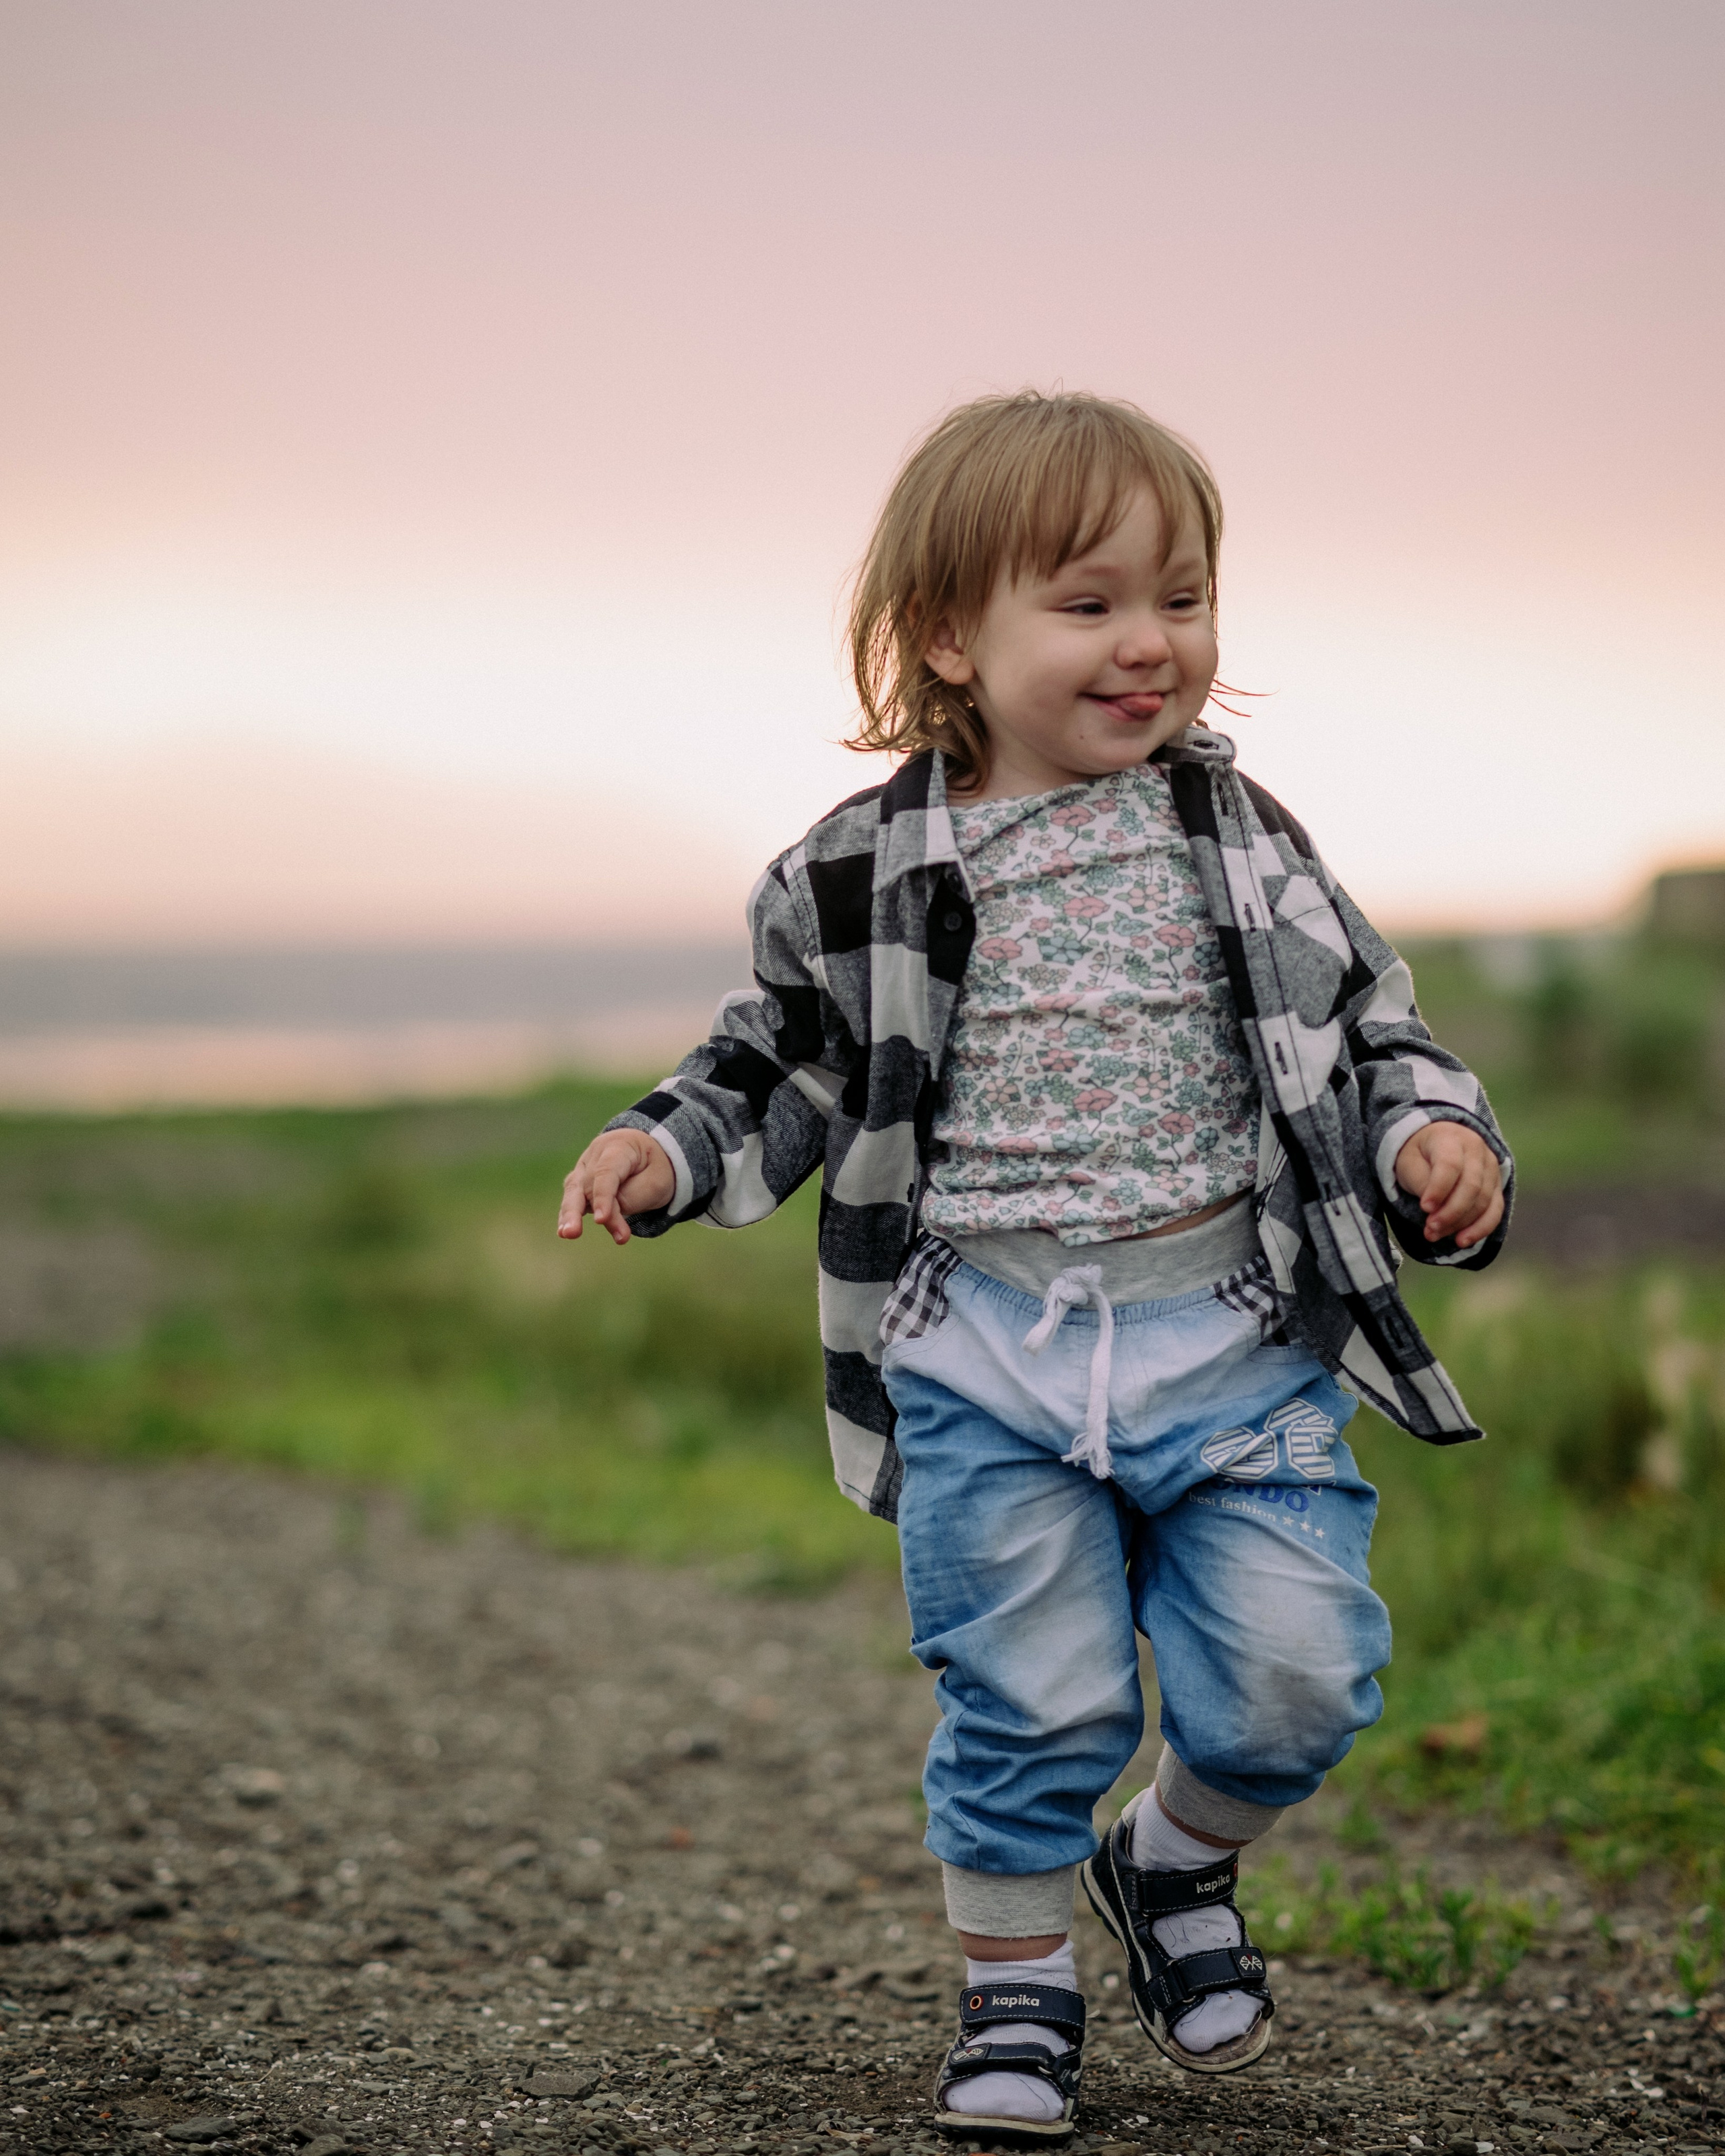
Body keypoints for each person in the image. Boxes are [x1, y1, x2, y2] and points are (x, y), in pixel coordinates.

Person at [558, 391, 1510, 2143]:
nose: (1151, 644)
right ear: (948, 637)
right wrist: (664, 1150)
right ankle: (1014, 2001)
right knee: (1034, 1690)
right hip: (982, 1342)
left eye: (1184, 596)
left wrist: (1427, 1140)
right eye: (1088, 604)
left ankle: (1169, 1862)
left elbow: (1374, 1030)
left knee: (1304, 1675)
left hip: (1230, 1328)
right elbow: (768, 1060)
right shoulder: (859, 872)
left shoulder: (1240, 837)